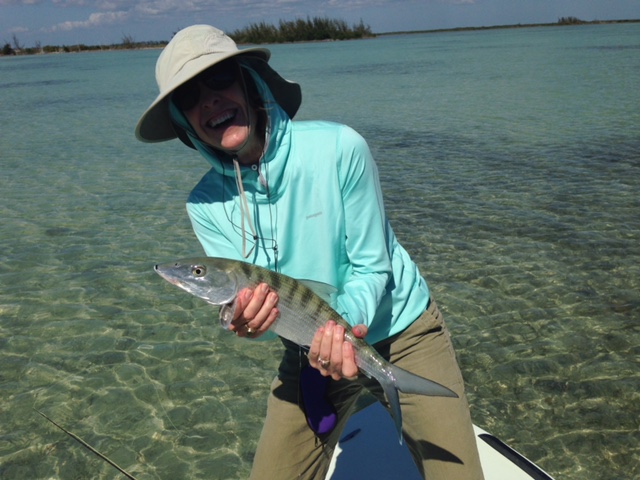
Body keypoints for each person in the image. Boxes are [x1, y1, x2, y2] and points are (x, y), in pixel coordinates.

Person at [136, 25, 484, 480]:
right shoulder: (203, 204)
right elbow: (252, 308)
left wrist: (342, 337)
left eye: (220, 79)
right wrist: (246, 325)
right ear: (183, 122)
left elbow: (371, 267)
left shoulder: (340, 148)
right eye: (189, 97)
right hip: (306, 347)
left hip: (401, 333)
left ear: (249, 82)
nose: (209, 100)